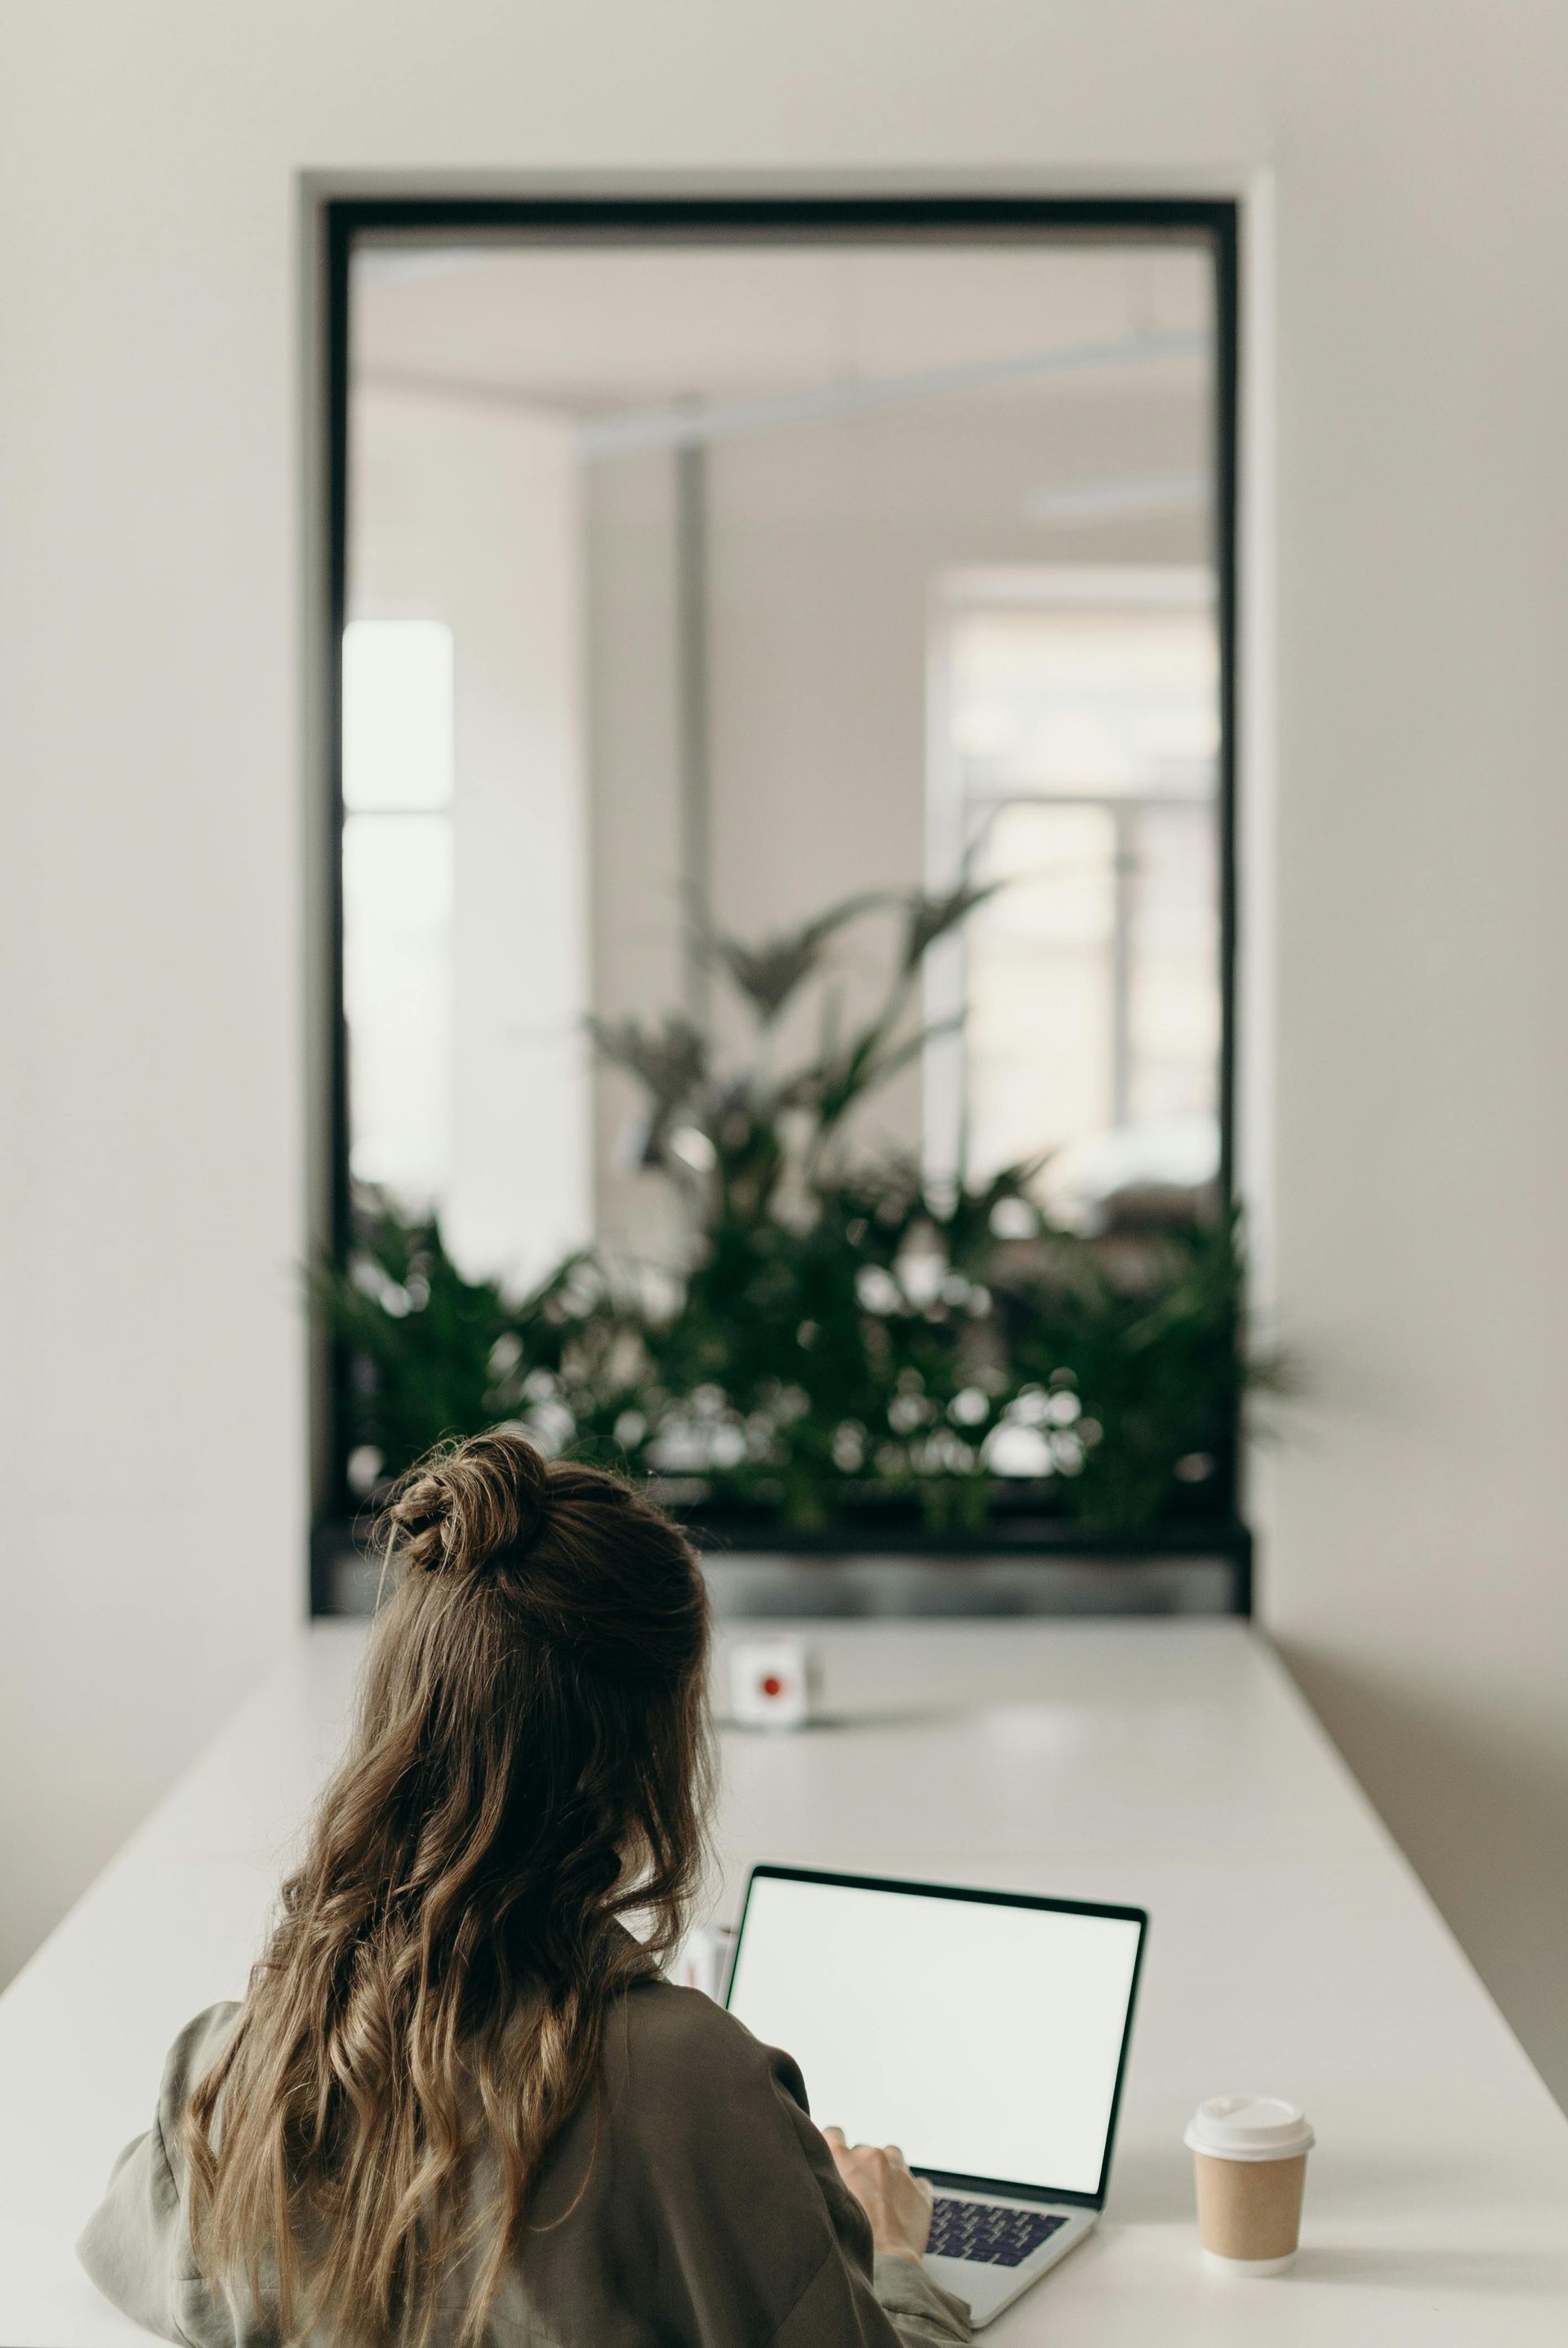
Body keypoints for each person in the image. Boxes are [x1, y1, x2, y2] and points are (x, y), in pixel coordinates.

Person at [78, 1432, 970, 2347]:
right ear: (650, 1757)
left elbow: (137, 2251)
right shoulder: (693, 2089)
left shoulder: (237, 2069)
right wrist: (896, 2254)